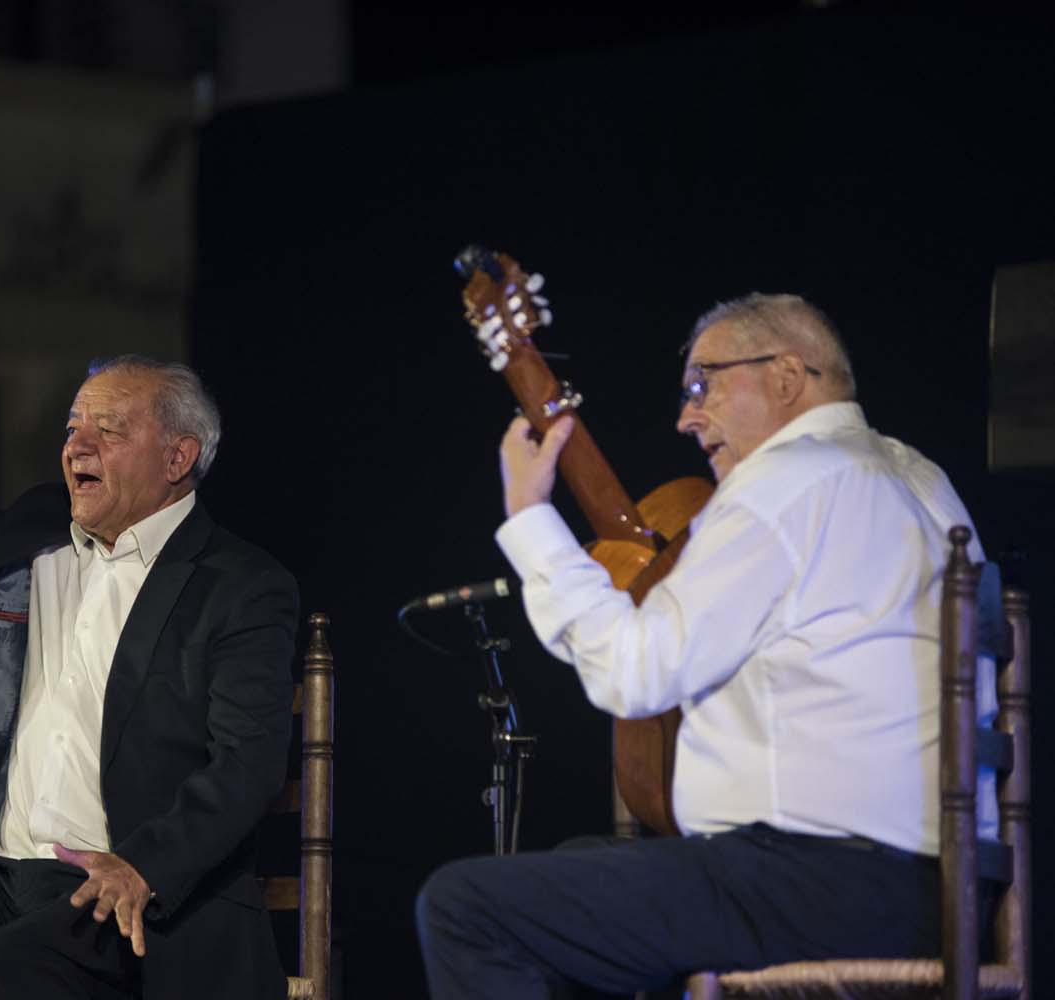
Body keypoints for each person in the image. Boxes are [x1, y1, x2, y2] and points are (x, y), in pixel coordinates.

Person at [417, 293, 985, 998]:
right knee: (577, 869)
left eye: (703, 384)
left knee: (467, 908)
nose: (686, 417)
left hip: (812, 882)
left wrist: (530, 516)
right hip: (942, 892)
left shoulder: (784, 481)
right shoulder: (921, 478)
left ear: (785, 376)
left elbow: (635, 671)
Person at [0, 240, 299, 1000]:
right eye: (74, 426)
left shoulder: (238, 585)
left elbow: (247, 765)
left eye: (108, 429)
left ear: (178, 458)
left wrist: (149, 864)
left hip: (137, 893)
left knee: (8, 965)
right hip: (1, 878)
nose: (77, 443)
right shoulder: (31, 535)